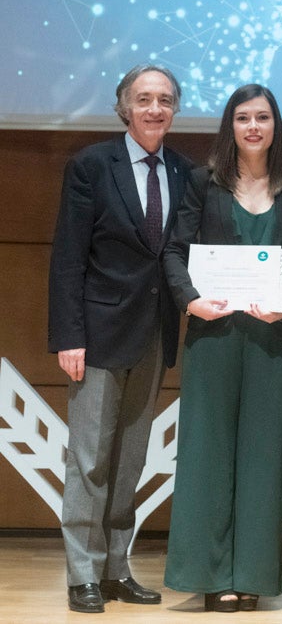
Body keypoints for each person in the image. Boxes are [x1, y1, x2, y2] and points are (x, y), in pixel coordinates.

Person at [162, 84, 282, 611]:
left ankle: (251, 573)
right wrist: (191, 301)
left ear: (276, 126)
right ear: (230, 126)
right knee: (207, 454)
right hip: (214, 335)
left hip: (270, 340)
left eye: (263, 117)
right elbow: (175, 252)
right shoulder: (203, 183)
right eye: (243, 117)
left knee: (263, 456)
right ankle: (209, 574)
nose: (253, 127)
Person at [48, 64, 192, 613]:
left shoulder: (183, 171)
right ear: (124, 107)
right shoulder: (90, 166)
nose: (155, 109)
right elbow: (68, 258)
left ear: (174, 108)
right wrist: (69, 335)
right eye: (144, 99)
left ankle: (114, 568)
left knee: (129, 460)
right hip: (97, 336)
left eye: (165, 100)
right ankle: (81, 573)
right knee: (90, 460)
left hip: (154, 336)